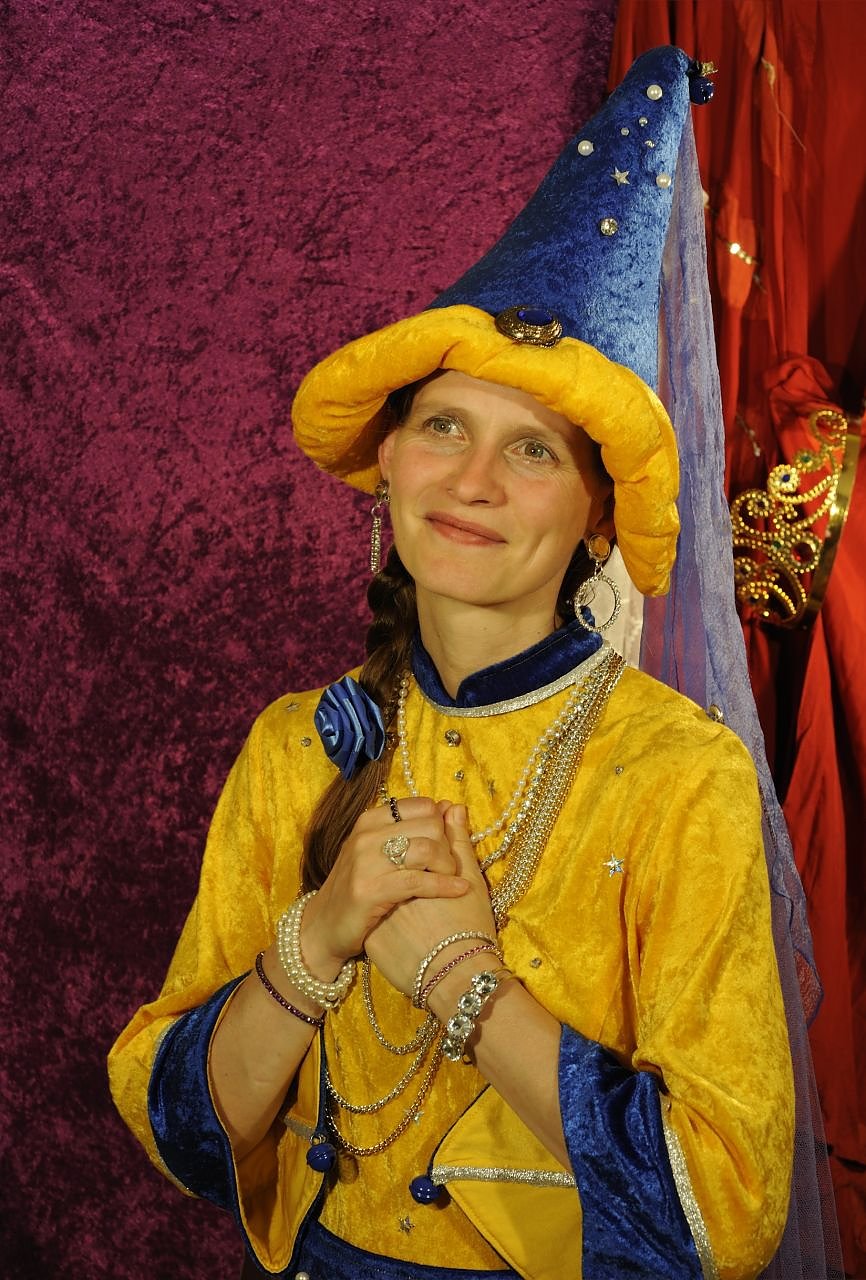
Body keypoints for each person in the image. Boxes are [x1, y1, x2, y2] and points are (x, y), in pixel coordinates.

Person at [109, 47, 816, 1280]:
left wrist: (460, 979)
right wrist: (320, 935)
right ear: (387, 461)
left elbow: (725, 1211)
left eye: (532, 449)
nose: (473, 481)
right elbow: (178, 1129)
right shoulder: (294, 744)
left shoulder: (675, 774)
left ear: (598, 514)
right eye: (443, 425)